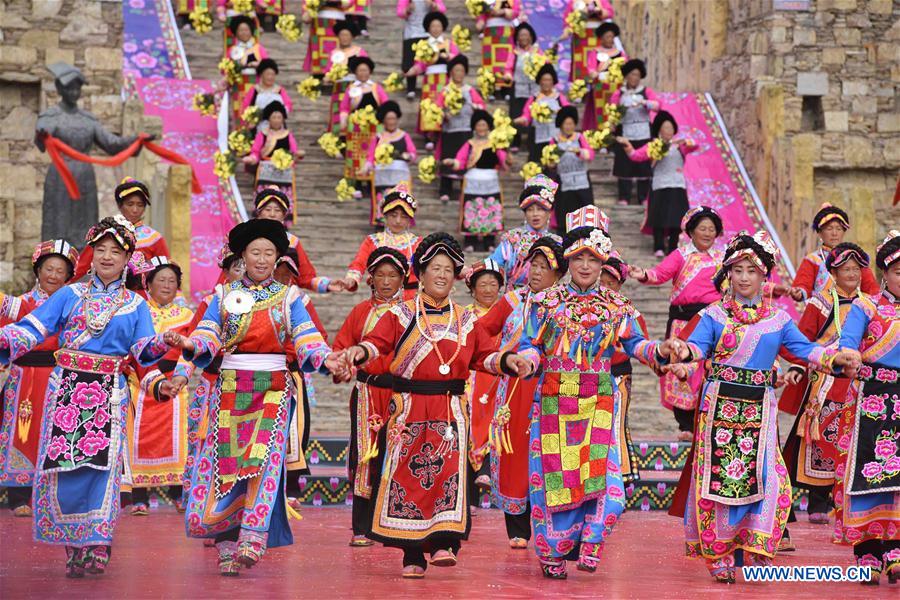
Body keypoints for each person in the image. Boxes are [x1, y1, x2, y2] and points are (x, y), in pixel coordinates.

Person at [340, 232, 531, 579]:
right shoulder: (399, 313)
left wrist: (508, 362)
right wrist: (359, 352)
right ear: (422, 274)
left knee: (447, 477)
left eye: (448, 269)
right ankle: (412, 554)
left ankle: (444, 543)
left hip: (449, 409)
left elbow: (486, 355)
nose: (441, 275)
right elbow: (376, 343)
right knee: (408, 478)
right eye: (435, 268)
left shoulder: (466, 319)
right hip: (409, 407)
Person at [671, 232, 857, 584]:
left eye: (751, 271)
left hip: (760, 409)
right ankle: (719, 553)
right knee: (720, 481)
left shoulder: (779, 321)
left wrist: (835, 358)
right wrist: (683, 356)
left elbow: (806, 350)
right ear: (728, 274)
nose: (743, 277)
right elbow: (694, 346)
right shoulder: (713, 315)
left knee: (768, 479)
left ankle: (756, 545)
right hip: (720, 408)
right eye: (737, 270)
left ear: (764, 276)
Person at [168, 219, 343, 576]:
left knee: (264, 463)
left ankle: (253, 537)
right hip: (229, 389)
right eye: (254, 253)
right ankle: (226, 543)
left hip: (273, 390)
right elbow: (207, 334)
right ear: (242, 256)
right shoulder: (221, 297)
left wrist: (326, 358)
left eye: (268, 253)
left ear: (278, 257)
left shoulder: (291, 297)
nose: (262, 260)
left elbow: (307, 338)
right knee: (226, 467)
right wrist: (189, 345)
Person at [0, 216, 171, 578]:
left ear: (127, 260)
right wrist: (6, 339)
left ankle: (97, 539)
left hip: (108, 392)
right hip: (65, 391)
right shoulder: (70, 293)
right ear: (91, 255)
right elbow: (34, 327)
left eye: (116, 251)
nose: (107, 257)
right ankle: (73, 543)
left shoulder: (136, 305)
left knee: (103, 468)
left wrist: (163, 345)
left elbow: (143, 350)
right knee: (66, 467)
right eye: (101, 249)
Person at [517, 211, 685, 579]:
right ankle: (552, 553)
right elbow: (531, 344)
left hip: (599, 402)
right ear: (568, 261)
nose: (586, 265)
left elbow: (636, 344)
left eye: (593, 258)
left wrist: (660, 350)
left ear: (603, 262)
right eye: (578, 257)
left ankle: (592, 543)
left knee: (608, 486)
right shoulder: (545, 302)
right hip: (552, 402)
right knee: (551, 484)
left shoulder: (616, 306)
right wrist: (526, 361)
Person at [476, 237, 567, 548]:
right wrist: (498, 358)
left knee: (550, 454)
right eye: (534, 265)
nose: (537, 272)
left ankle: (553, 523)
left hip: (553, 388)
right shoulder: (513, 301)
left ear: (559, 274)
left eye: (545, 267)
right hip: (516, 388)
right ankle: (517, 528)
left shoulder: (567, 307)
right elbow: (481, 331)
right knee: (514, 452)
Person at [778, 243, 870, 550]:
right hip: (825, 382)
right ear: (833, 273)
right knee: (807, 446)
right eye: (846, 269)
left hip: (857, 385)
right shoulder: (819, 303)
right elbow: (802, 339)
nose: (853, 275)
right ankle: (799, 507)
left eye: (857, 269)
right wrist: (797, 367)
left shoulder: (870, 305)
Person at [832, 230, 900, 585]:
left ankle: (896, 548)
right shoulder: (866, 306)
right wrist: (850, 358)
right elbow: (847, 344)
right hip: (870, 399)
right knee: (868, 473)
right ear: (885, 274)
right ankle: (868, 551)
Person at [332, 248, 409, 546]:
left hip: (402, 393)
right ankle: (362, 526)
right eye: (380, 275)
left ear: (403, 278)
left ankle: (396, 523)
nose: (386, 281)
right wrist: (342, 367)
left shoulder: (412, 310)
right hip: (367, 391)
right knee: (365, 456)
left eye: (392, 275)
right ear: (370, 279)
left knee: (400, 454)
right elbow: (342, 348)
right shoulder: (361, 312)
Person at [628, 206, 724, 439]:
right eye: (703, 228)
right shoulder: (680, 255)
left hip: (713, 322)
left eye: (712, 229)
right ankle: (686, 426)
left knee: (708, 368)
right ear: (691, 231)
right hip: (682, 323)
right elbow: (658, 274)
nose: (708, 233)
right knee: (681, 369)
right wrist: (642, 273)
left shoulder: (724, 259)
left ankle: (709, 421)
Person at [0, 240, 79, 518]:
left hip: (60, 377)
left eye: (60, 271)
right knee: (22, 432)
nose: (54, 276)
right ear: (38, 270)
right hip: (25, 380)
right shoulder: (20, 304)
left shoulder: (76, 307)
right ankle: (19, 494)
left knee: (57, 433)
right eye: (49, 269)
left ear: (69, 277)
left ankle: (52, 494)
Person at [172, 247, 245, 515]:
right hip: (213, 384)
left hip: (247, 385)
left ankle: (238, 505)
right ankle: (201, 501)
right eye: (236, 267)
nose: (242, 273)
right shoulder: (211, 302)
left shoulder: (265, 300)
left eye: (245, 267)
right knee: (204, 440)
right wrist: (181, 374)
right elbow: (194, 339)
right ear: (225, 272)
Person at [35, 63, 139, 246]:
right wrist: (42, 134)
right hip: (61, 175)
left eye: (77, 88)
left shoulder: (88, 120)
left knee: (84, 224)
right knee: (58, 222)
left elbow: (111, 144)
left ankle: (83, 266)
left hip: (84, 177)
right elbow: (42, 141)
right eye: (70, 88)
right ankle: (53, 263)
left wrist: (136, 141)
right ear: (60, 88)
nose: (74, 92)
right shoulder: (50, 117)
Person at [123, 257, 194, 515]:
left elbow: (190, 351)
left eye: (172, 281)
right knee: (138, 439)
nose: (166, 285)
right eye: (161, 280)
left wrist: (181, 377)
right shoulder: (137, 311)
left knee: (177, 441)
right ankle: (139, 497)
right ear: (148, 283)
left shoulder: (187, 316)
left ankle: (178, 493)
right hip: (139, 383)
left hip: (174, 384)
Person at [622, 110, 698, 257]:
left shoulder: (679, 146)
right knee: (659, 218)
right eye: (665, 128)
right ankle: (658, 246)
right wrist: (627, 146)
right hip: (660, 185)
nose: (668, 131)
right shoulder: (653, 146)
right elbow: (636, 156)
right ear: (659, 131)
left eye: (670, 128)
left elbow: (694, 145)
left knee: (677, 219)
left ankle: (672, 247)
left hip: (677, 186)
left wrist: (685, 141)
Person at [600, 256, 647, 485]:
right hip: (591, 375)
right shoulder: (583, 309)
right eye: (603, 280)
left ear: (620, 285)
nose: (606, 287)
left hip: (618, 373)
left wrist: (661, 360)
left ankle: (620, 476)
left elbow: (641, 344)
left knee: (616, 423)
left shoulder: (628, 311)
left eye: (612, 283)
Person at [463, 260, 505, 500]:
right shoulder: (464, 315)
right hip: (472, 379)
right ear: (472, 288)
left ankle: (489, 470)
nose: (488, 289)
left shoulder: (509, 315)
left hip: (498, 378)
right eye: (482, 284)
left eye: (493, 284)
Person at [73, 178, 169, 281]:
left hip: (142, 295)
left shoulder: (154, 238)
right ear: (120, 205)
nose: (135, 210)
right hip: (105, 293)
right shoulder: (104, 233)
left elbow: (166, 271)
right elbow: (81, 267)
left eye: (140, 205)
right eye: (130, 204)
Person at [252, 188, 342, 293]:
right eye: (267, 210)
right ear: (258, 213)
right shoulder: (245, 237)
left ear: (284, 215)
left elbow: (305, 277)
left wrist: (328, 284)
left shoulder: (292, 242)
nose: (272, 214)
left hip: (283, 297)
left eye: (277, 210)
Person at [787, 203, 880, 302]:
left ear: (844, 232)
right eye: (829, 229)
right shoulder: (813, 259)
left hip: (853, 312)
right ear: (819, 232)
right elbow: (803, 284)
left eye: (839, 229)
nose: (834, 233)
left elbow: (871, 288)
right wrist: (799, 292)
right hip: (822, 312)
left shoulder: (855, 258)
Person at [445, 109, 508, 252]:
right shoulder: (469, 144)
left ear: (488, 127)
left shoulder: (495, 143)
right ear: (474, 127)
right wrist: (451, 162)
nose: (481, 128)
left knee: (490, 209)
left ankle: (489, 241)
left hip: (490, 181)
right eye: (479, 125)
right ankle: (470, 241)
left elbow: (503, 161)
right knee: (472, 209)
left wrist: (507, 154)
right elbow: (460, 160)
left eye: (484, 125)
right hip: (473, 181)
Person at [487, 173, 561, 290]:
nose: (535, 214)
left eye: (541, 209)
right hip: (515, 300)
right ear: (525, 214)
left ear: (549, 213)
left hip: (547, 299)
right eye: (530, 210)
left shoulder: (557, 242)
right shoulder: (513, 239)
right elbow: (493, 263)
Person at [343, 185, 421, 294]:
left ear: (409, 220)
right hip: (380, 302)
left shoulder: (418, 244)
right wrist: (351, 279)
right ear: (385, 216)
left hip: (410, 302)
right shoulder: (372, 241)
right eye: (393, 215)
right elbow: (359, 263)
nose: (398, 221)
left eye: (404, 216)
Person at [608, 59, 660, 207]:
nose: (635, 78)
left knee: (644, 165)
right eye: (632, 74)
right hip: (625, 133)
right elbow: (612, 111)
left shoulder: (646, 91)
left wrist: (644, 103)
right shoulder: (619, 93)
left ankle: (643, 197)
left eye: (637, 75)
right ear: (626, 76)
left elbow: (657, 106)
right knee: (624, 165)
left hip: (643, 132)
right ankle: (624, 196)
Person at [436, 54, 486, 203]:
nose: (459, 73)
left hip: (466, 131)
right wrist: (444, 114)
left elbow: (481, 106)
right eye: (456, 70)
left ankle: (465, 189)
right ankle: (445, 190)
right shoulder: (445, 90)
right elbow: (437, 109)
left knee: (465, 160)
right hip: (450, 131)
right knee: (447, 159)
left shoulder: (470, 90)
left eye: (461, 71)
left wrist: (476, 107)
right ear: (451, 72)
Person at [405, 11, 460, 144]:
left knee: (443, 105)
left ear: (442, 28)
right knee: (429, 105)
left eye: (438, 26)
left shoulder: (448, 44)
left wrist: (448, 57)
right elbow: (419, 64)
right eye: (433, 26)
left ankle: (442, 133)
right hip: (429, 80)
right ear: (428, 28)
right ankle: (429, 136)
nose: (436, 29)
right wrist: (411, 72)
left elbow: (457, 60)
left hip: (445, 79)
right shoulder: (424, 45)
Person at [340, 56, 389, 199]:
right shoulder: (351, 88)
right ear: (355, 72)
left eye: (365, 70)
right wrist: (343, 121)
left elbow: (385, 105)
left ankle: (371, 183)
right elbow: (344, 107)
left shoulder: (376, 88)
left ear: (370, 72)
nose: (362, 73)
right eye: (360, 70)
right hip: (355, 129)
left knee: (372, 155)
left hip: (373, 128)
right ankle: (357, 185)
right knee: (355, 156)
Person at [361, 101, 417, 226]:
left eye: (394, 118)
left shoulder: (404, 136)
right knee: (383, 201)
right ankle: (381, 225)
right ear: (384, 121)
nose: (392, 121)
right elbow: (370, 157)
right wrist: (366, 167)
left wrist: (408, 156)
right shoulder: (378, 137)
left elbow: (413, 153)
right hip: (382, 177)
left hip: (400, 177)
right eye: (389, 119)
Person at [546, 105, 595, 234]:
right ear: (561, 125)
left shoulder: (580, 138)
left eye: (571, 124)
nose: (569, 127)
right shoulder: (554, 140)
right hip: (564, 182)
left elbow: (590, 155)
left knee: (585, 210)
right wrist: (551, 162)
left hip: (582, 181)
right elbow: (549, 159)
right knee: (564, 211)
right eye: (566, 124)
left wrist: (579, 152)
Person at [244, 102, 304, 202]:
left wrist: (299, 155)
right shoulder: (262, 134)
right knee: (265, 201)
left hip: (283, 173)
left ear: (283, 119)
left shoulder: (287, 135)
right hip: (265, 172)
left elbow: (294, 152)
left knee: (282, 202)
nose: (276, 120)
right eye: (274, 117)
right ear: (269, 119)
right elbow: (256, 151)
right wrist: (251, 158)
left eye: (279, 117)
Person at [514, 64, 571, 164]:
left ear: (553, 82)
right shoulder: (534, 98)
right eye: (544, 80)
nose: (546, 83)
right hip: (537, 137)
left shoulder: (559, 98)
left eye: (549, 80)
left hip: (556, 136)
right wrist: (522, 120)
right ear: (539, 81)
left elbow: (567, 114)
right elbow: (526, 115)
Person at [501, 22, 543, 152]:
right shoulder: (514, 53)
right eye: (521, 35)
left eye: (526, 35)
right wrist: (507, 75)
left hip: (535, 89)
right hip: (519, 88)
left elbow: (544, 66)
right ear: (517, 38)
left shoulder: (538, 52)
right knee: (516, 115)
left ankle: (532, 143)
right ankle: (516, 142)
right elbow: (508, 68)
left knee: (535, 115)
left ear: (531, 37)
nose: (524, 38)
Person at [325, 21, 368, 136]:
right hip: (338, 91)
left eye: (347, 35)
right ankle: (337, 143)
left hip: (355, 90)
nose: (344, 38)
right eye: (342, 35)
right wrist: (328, 77)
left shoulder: (359, 52)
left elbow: (366, 69)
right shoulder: (334, 53)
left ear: (352, 37)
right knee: (337, 116)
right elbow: (327, 72)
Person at [582, 22, 627, 131]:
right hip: (600, 88)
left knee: (615, 111)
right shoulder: (595, 52)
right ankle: (601, 135)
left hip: (616, 88)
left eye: (612, 37)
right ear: (601, 38)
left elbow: (626, 68)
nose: (610, 39)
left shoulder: (620, 53)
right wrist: (594, 73)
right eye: (607, 36)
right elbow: (591, 68)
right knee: (600, 113)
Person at [397, 0, 447, 99]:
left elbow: (442, 9)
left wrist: (433, 5)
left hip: (428, 33)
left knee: (428, 60)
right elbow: (399, 12)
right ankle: (411, 89)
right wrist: (407, 10)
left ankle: (430, 85)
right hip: (411, 33)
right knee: (409, 61)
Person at [226, 15, 269, 121]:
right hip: (238, 85)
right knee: (239, 112)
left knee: (255, 114)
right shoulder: (232, 50)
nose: (244, 33)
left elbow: (268, 67)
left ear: (251, 31)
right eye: (241, 30)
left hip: (256, 84)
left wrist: (258, 65)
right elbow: (225, 69)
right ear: (236, 32)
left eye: (246, 30)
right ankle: (239, 136)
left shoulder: (259, 49)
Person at [474, 0, 520, 100]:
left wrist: (502, 11)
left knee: (506, 62)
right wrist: (480, 21)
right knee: (489, 62)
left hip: (506, 34)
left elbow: (516, 12)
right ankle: (490, 89)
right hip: (490, 34)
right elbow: (481, 13)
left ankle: (506, 89)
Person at [563, 0, 615, 83]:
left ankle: (596, 89)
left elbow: (610, 12)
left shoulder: (601, 1)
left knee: (597, 62)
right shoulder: (574, 1)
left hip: (597, 37)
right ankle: (579, 88)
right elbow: (567, 18)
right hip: (580, 38)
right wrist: (567, 29)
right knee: (580, 65)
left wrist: (600, 11)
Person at [241, 58, 293, 133]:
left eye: (273, 74)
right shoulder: (254, 90)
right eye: (268, 74)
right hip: (258, 129)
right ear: (261, 74)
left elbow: (288, 105)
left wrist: (278, 116)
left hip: (277, 128)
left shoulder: (279, 90)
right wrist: (250, 120)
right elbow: (245, 107)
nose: (270, 77)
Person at [302, 0, 349, 76]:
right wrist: (315, 5)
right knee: (319, 67)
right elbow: (306, 18)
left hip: (338, 27)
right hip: (318, 31)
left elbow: (347, 4)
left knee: (337, 61)